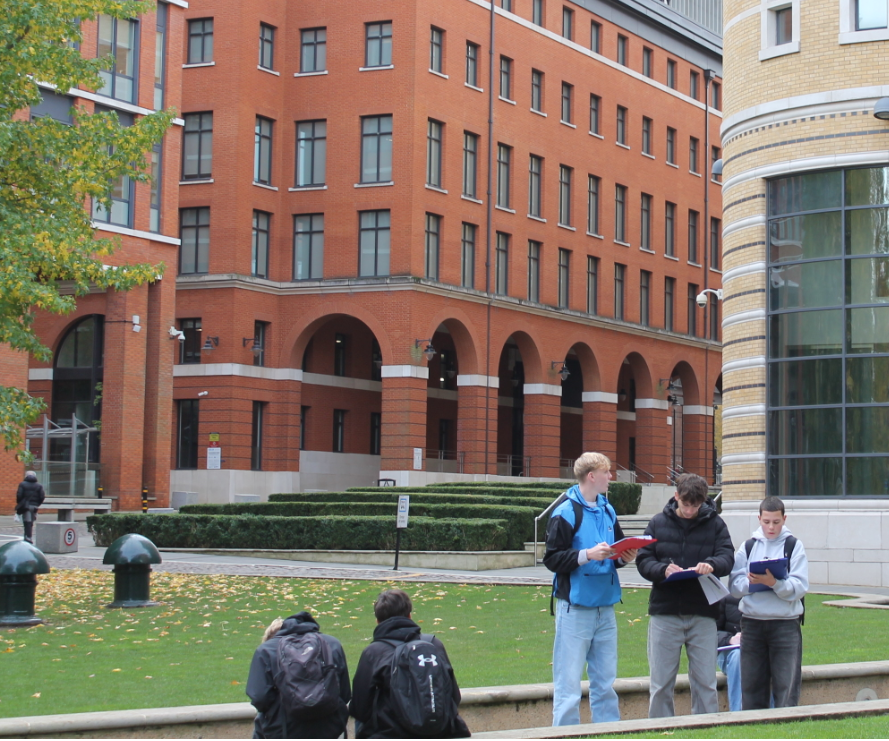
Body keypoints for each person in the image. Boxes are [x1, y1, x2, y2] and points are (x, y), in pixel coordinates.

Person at [543, 452, 638, 726]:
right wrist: (586, 554)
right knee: (568, 682)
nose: (611, 477)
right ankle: (565, 732)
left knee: (606, 681)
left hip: (605, 607)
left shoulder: (608, 509)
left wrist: (623, 557)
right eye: (606, 472)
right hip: (575, 609)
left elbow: (615, 551)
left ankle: (609, 731)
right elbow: (551, 559)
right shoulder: (565, 512)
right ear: (591, 476)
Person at [636, 473, 734, 718]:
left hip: (703, 613)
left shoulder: (715, 524)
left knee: (705, 682)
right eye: (686, 504)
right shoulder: (658, 523)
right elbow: (643, 559)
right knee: (660, 684)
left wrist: (711, 564)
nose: (690, 511)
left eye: (696, 506)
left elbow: (728, 556)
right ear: (676, 496)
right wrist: (662, 570)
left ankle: (706, 729)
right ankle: (659, 730)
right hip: (665, 612)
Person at [350, 588, 470, 739]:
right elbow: (454, 695)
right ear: (409, 615)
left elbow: (360, 707)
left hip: (390, 733)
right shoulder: (433, 644)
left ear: (377, 621)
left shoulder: (373, 652)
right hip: (439, 731)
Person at [729, 496, 809, 710]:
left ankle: (786, 726)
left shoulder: (794, 546)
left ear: (784, 519)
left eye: (776, 522)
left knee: (787, 686)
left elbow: (800, 586)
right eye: (766, 522)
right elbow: (734, 587)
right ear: (759, 519)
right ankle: (754, 728)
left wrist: (774, 583)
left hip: (785, 623)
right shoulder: (748, 546)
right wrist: (751, 582)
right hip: (752, 623)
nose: (771, 527)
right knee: (752, 685)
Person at [246, 611, 351, 739]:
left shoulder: (266, 650)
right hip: (328, 728)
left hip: (284, 730)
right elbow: (344, 694)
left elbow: (259, 697)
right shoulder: (332, 644)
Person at [716, 595, 743, 712]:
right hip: (729, 654)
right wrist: (730, 639)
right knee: (738, 656)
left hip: (758, 651)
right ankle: (738, 712)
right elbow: (710, 631)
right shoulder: (725, 598)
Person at [16, 471, 45, 545]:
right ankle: (29, 537)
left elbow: (19, 495)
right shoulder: (39, 485)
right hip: (34, 506)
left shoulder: (22, 484)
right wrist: (37, 504)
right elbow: (42, 497)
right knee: (31, 522)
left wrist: (21, 503)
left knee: (27, 522)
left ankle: (28, 537)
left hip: (26, 506)